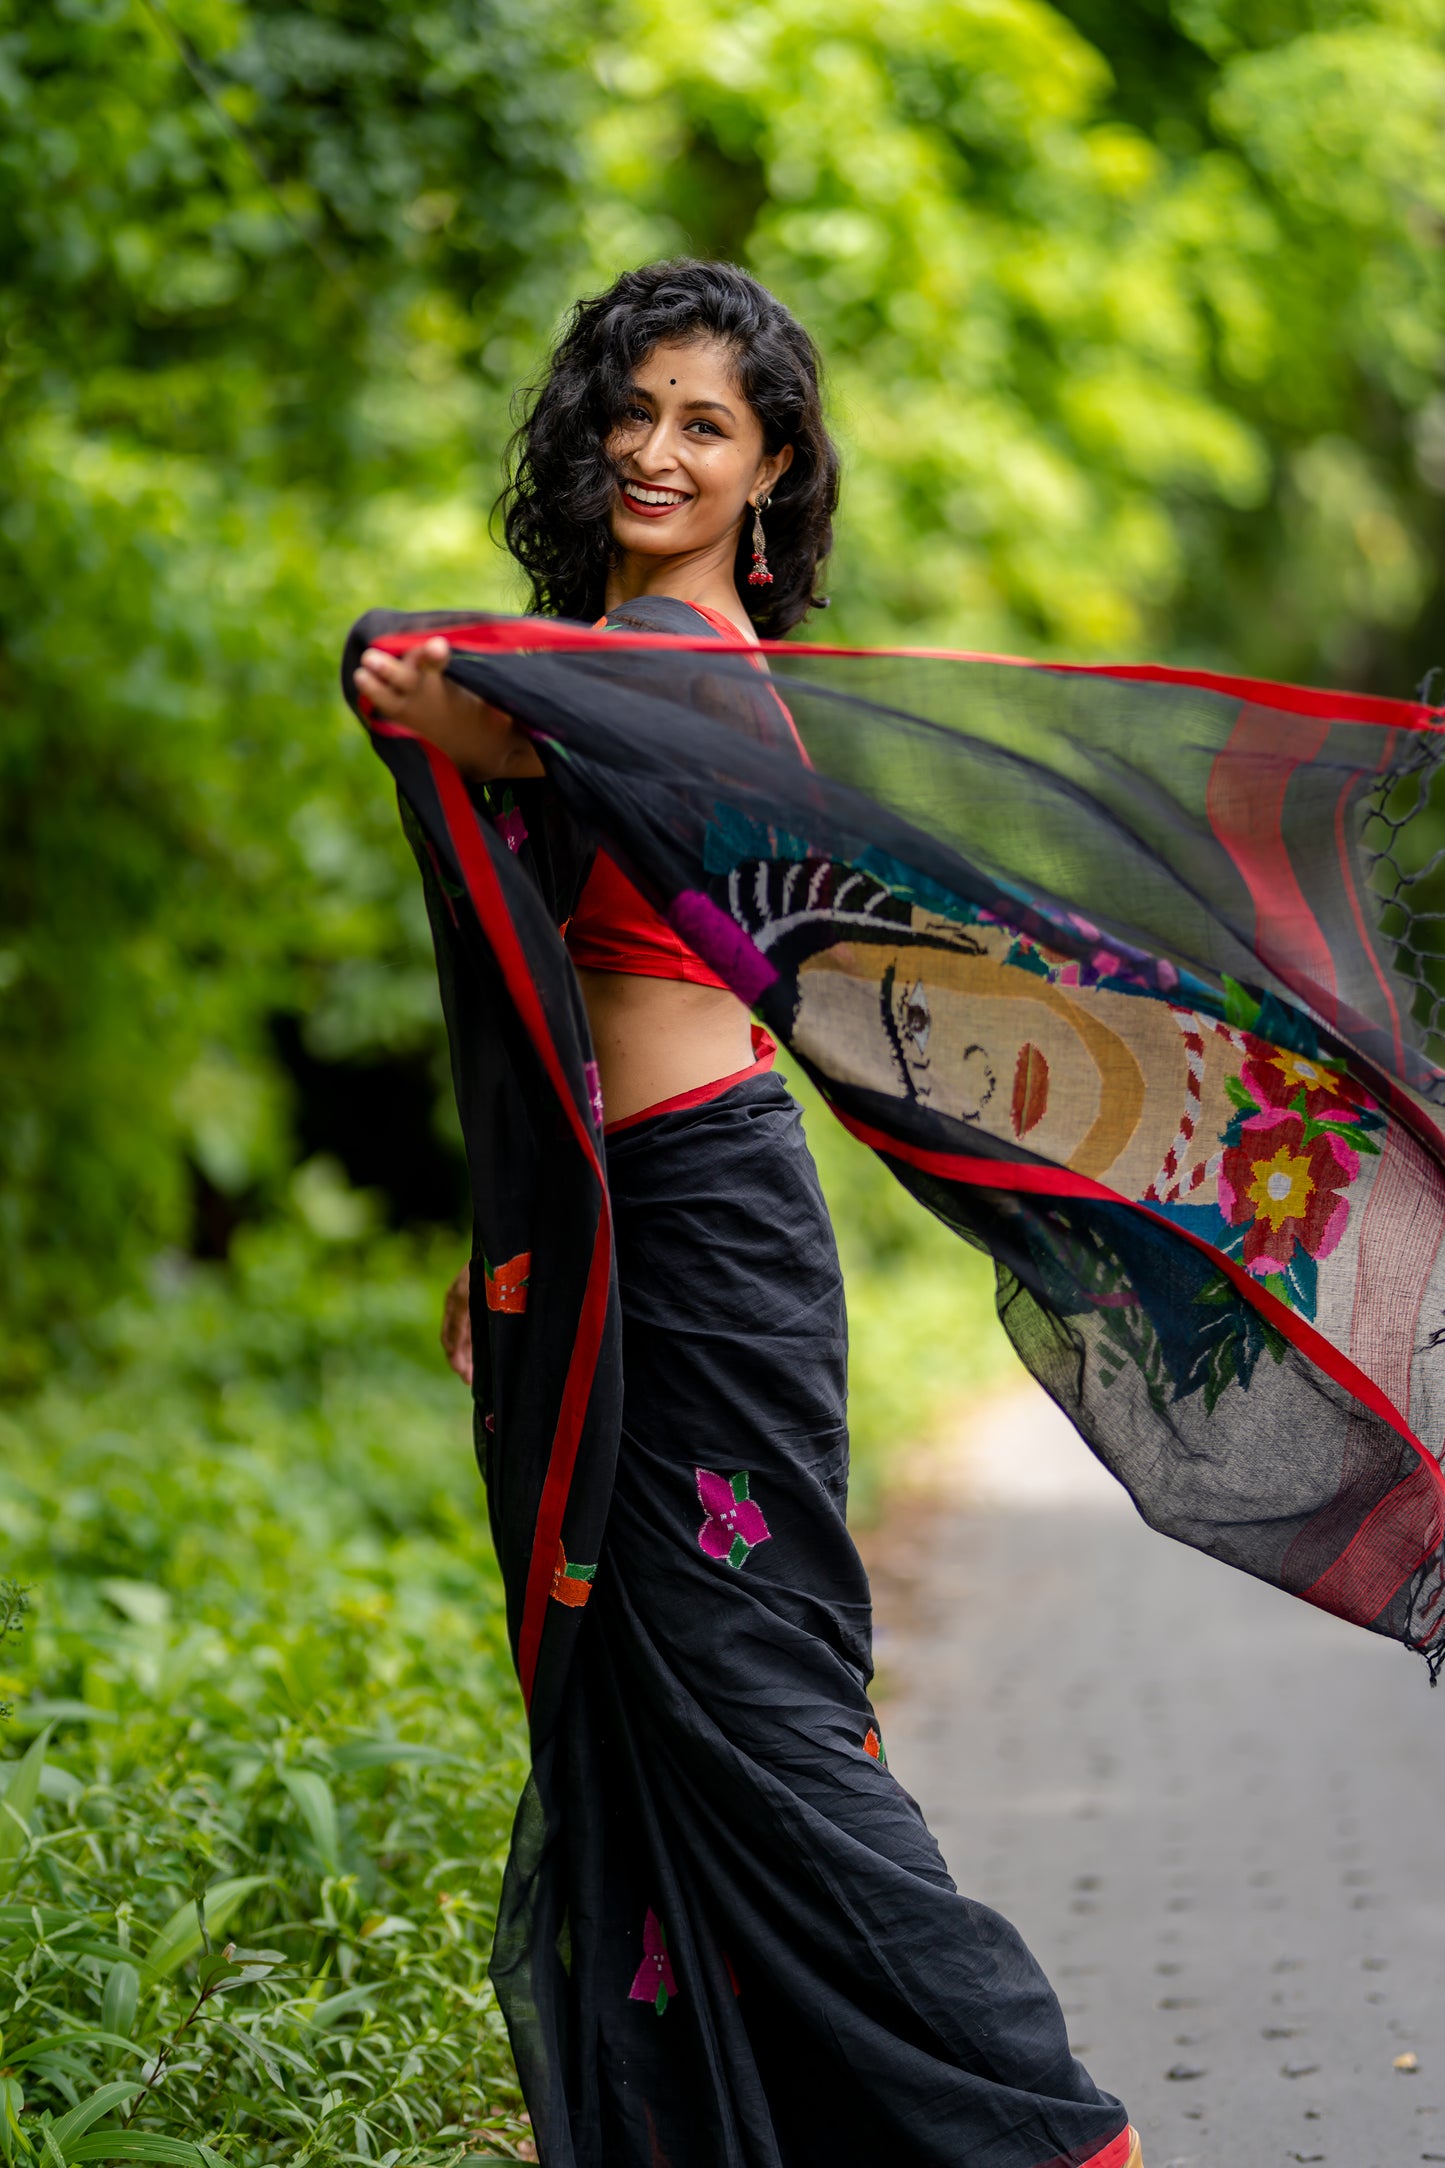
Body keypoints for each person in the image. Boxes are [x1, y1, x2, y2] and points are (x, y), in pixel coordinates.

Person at [351, 261, 1141, 2168]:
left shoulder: (682, 675)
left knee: (762, 1709)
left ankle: (1049, 2135)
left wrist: (468, 706)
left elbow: (411, 664)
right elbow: (541, 986)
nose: (654, 449)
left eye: (707, 423)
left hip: (703, 1228)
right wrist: (510, 1234)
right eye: (629, 409)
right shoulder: (609, 662)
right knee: (653, 1702)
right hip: (622, 1220)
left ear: (773, 471)